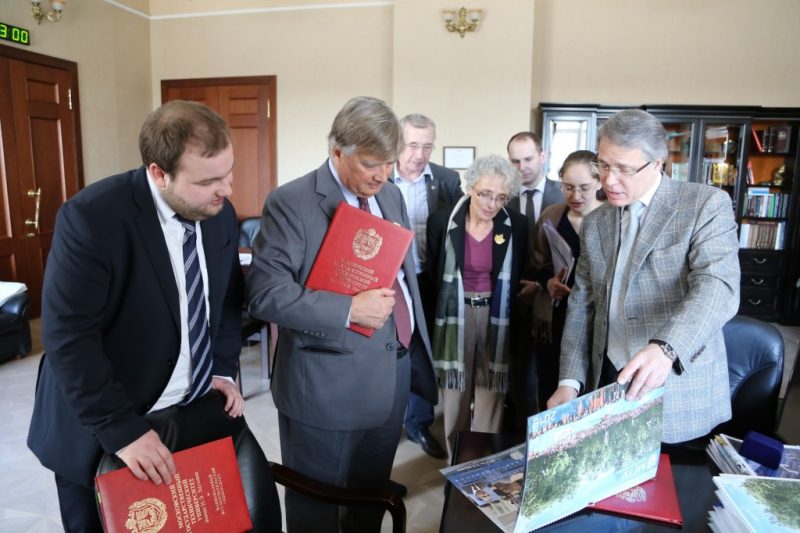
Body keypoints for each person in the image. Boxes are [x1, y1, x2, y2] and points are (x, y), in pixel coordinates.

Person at [27, 100, 281, 532]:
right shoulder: (92, 218)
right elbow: (70, 337)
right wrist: (121, 430)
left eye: (229, 172)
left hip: (190, 412)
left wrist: (220, 367)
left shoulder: (217, 214)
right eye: (208, 180)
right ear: (158, 172)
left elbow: (222, 300)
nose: (226, 189)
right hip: (103, 422)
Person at [246, 96, 435, 532]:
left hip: (391, 375)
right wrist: (349, 309)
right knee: (318, 510)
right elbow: (265, 295)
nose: (382, 175)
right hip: (325, 388)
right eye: (371, 163)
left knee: (368, 501)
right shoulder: (291, 202)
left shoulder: (389, 194)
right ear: (336, 151)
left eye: (389, 163)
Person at [548, 109, 741, 443]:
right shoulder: (596, 222)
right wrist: (569, 382)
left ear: (657, 163)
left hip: (676, 388)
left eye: (624, 169)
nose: (608, 180)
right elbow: (582, 305)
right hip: (607, 381)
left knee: (672, 492)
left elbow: (717, 287)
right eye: (604, 165)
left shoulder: (703, 205)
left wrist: (666, 348)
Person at [427, 154, 528, 457]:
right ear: (470, 187)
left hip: (496, 318)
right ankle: (456, 458)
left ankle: (482, 464)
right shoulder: (442, 221)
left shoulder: (518, 225)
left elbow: (521, 274)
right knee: (455, 394)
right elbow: (434, 274)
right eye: (484, 193)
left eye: (500, 197)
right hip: (454, 315)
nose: (491, 204)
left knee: (490, 393)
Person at [391, 113, 461, 460]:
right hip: (394, 282)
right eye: (412, 145)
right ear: (398, 143)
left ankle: (418, 422)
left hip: (432, 279)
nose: (419, 154)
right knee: (395, 352)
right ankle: (391, 421)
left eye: (427, 146)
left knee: (427, 352)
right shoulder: (382, 179)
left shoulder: (446, 181)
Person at [529, 150, 604, 407]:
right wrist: (548, 283)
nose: (576, 196)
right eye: (568, 187)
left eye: (584, 188)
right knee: (551, 386)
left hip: (598, 319)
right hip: (556, 316)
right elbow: (536, 264)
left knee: (591, 393)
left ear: (600, 182)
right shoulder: (551, 216)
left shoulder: (614, 218)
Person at [506, 131, 564, 428]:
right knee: (519, 380)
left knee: (550, 377)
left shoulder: (566, 194)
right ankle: (518, 437)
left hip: (552, 302)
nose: (522, 167)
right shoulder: (502, 198)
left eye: (528, 159)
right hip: (513, 300)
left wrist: (541, 284)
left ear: (543, 156)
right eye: (515, 161)